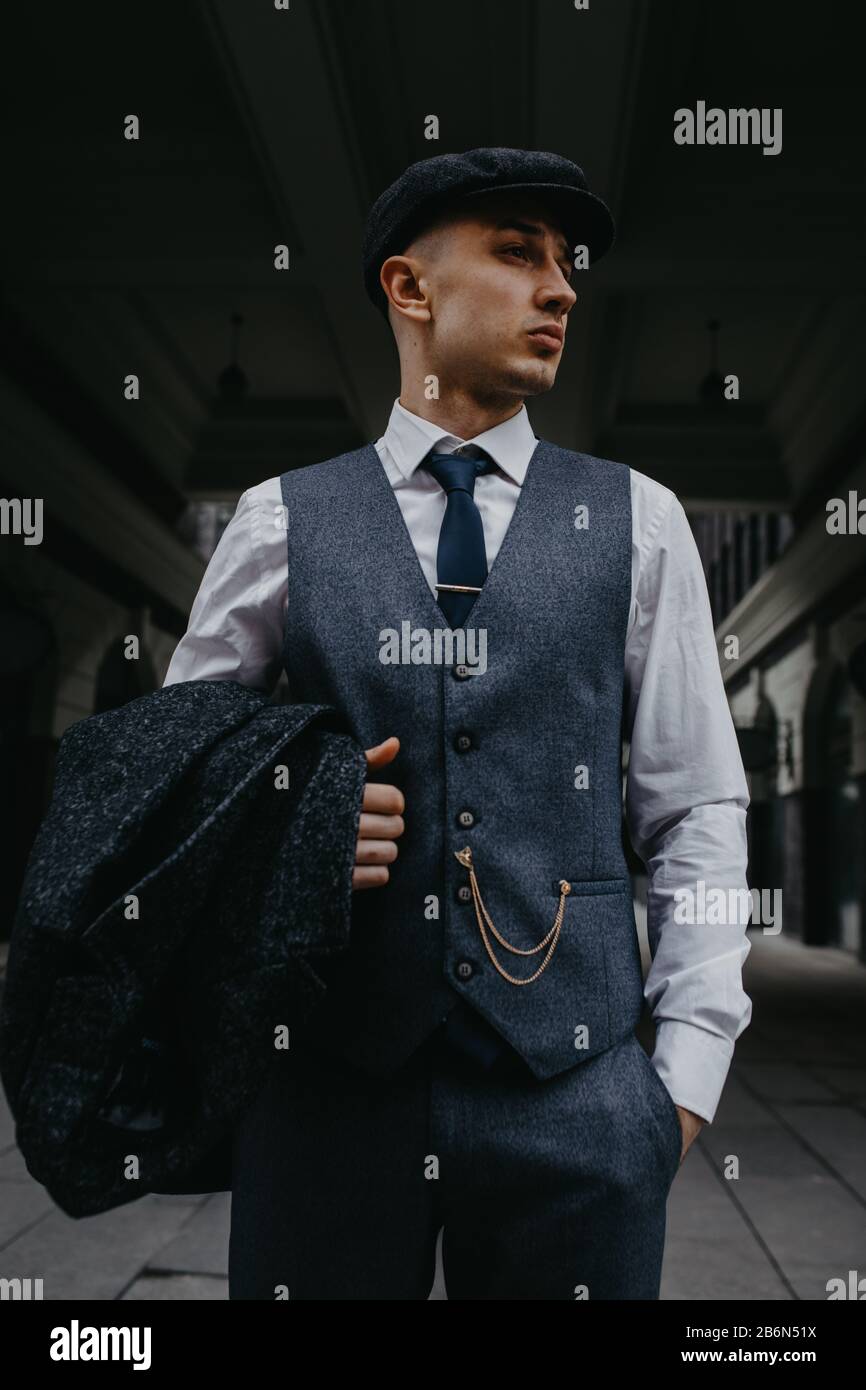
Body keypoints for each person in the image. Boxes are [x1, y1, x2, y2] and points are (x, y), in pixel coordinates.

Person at [163, 147, 752, 1300]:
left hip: (576, 1104)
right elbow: (173, 795)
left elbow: (694, 808)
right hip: (327, 1099)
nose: (562, 288)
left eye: (564, 264)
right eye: (518, 250)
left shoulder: (638, 522)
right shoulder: (281, 521)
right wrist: (295, 820)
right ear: (411, 288)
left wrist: (676, 1088)